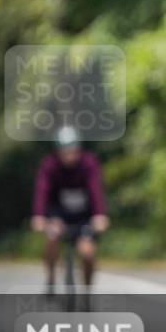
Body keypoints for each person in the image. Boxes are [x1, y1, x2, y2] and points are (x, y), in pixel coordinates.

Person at [30, 125, 110, 294]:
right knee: (52, 237)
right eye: (65, 150)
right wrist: (39, 215)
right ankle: (51, 276)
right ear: (58, 150)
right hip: (58, 215)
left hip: (83, 217)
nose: (69, 155)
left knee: (87, 253)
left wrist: (100, 215)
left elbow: (96, 190)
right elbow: (42, 191)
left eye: (73, 149)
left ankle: (86, 292)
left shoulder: (88, 163)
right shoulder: (50, 165)